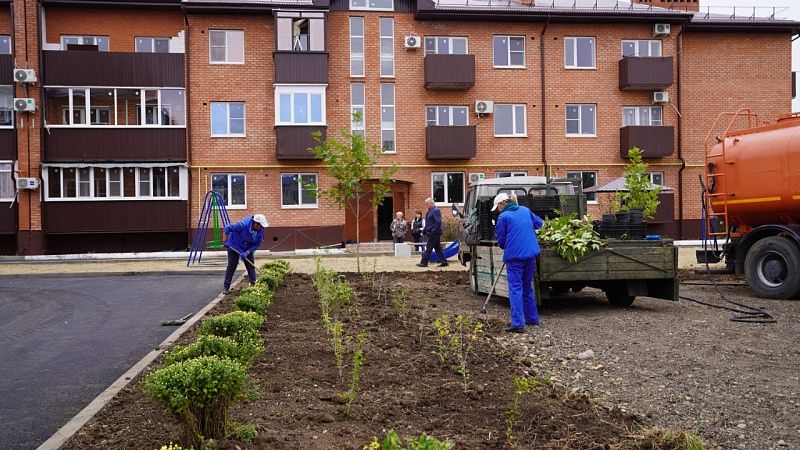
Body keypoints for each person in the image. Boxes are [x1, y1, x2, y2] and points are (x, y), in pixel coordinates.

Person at [493, 192, 543, 332]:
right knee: (527, 286)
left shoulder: (503, 217)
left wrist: (509, 244)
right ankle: (532, 319)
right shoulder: (525, 210)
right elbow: (539, 224)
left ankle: (517, 323)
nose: (497, 210)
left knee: (515, 288)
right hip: (531, 254)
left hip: (515, 257)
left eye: (497, 207)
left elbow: (501, 241)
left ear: (503, 203)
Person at [222, 213, 268, 294]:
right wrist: (225, 241)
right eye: (260, 226)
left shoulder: (260, 231)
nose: (262, 228)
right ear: (256, 224)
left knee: (250, 266)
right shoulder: (242, 225)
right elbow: (227, 228)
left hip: (247, 249)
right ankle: (226, 287)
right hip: (234, 246)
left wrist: (247, 252)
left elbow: (257, 244)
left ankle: (254, 285)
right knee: (232, 266)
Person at [417, 198, 448, 267]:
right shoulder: (430, 211)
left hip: (434, 233)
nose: (426, 205)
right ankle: (444, 262)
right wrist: (424, 230)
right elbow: (429, 223)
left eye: (427, 204)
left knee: (429, 247)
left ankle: (424, 262)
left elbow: (438, 222)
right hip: (432, 232)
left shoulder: (435, 210)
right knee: (438, 248)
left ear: (431, 203)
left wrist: (433, 231)